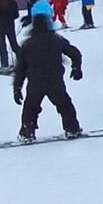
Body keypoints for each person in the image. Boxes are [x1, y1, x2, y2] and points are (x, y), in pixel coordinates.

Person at [13, 13, 84, 142]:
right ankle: (72, 129)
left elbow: (20, 69)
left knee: (30, 108)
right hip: (54, 81)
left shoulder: (27, 44)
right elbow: (75, 53)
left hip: (35, 82)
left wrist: (17, 87)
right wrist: (76, 68)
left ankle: (27, 133)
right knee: (65, 105)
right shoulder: (56, 40)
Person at [0, 0, 21, 73]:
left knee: (2, 46)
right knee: (14, 44)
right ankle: (22, 62)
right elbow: (16, 15)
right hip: (10, 26)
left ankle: (4, 64)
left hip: (0, 27)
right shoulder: (13, 2)